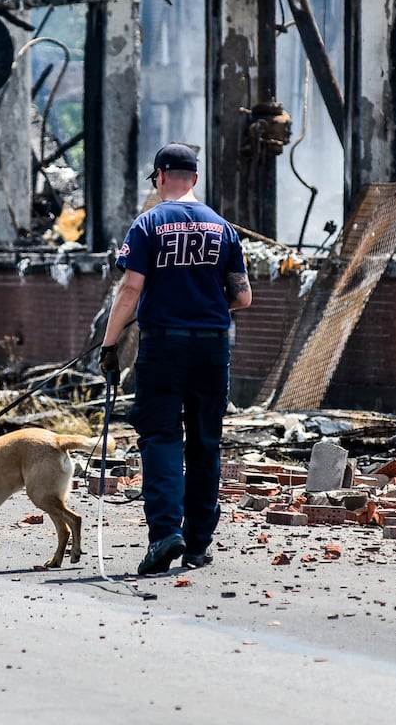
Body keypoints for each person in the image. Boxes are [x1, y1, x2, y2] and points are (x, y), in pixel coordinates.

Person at [99, 142, 252, 575]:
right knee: (206, 442)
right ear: (196, 180)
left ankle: (166, 533)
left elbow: (130, 289)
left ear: (161, 177)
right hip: (211, 346)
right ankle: (199, 544)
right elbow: (242, 296)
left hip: (164, 347)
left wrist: (110, 346)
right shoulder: (224, 228)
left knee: (162, 437)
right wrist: (204, 300)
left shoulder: (148, 224)